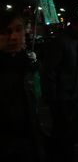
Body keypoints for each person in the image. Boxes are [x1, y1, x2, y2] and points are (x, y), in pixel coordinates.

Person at [41, 11, 78, 162]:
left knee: (68, 132)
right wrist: (53, 98)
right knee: (61, 132)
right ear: (74, 24)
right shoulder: (60, 42)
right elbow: (49, 71)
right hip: (61, 98)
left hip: (73, 96)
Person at [0, 9, 45, 162]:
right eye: (5, 32)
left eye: (18, 30)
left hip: (29, 142)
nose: (13, 37)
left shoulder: (28, 65)